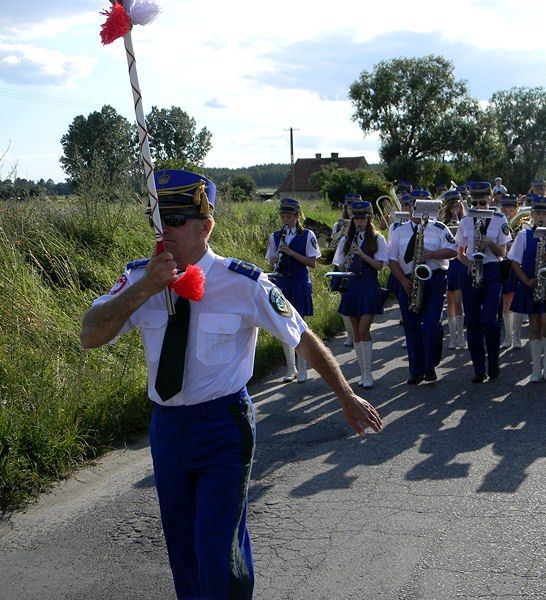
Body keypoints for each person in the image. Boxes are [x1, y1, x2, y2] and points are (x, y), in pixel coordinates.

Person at [79, 169, 383, 600]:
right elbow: (90, 335)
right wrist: (145, 288)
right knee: (182, 549)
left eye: (177, 220)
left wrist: (346, 395)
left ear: (206, 226)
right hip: (167, 428)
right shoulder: (139, 279)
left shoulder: (242, 282)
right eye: (159, 220)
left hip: (223, 425)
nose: (166, 231)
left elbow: (302, 337)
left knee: (217, 549)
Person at [388, 194, 457, 383]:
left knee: (431, 325)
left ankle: (430, 365)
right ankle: (416, 371)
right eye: (411, 206)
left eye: (419, 206)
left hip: (434, 279)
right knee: (411, 328)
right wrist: (403, 280)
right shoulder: (398, 230)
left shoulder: (439, 228)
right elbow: (392, 259)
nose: (414, 210)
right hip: (408, 281)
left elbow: (453, 250)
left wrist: (432, 254)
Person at [456, 181, 512, 383]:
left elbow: (503, 253)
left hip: (491, 270)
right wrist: (469, 263)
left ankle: (494, 361)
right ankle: (479, 369)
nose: (479, 206)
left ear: (490, 199)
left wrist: (490, 243)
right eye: (475, 202)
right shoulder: (465, 220)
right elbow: (459, 252)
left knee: (490, 319)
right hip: (471, 270)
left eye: (482, 202)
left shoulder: (499, 218)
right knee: (472, 322)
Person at [509, 195, 546, 383]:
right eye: (538, 213)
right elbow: (514, 261)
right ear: (532, 215)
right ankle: (536, 368)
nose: (541, 216)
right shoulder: (523, 234)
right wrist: (526, 280)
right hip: (531, 284)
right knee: (535, 326)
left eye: (544, 213)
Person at [332, 200, 388, 389]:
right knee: (356, 333)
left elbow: (379, 266)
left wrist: (362, 254)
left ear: (369, 218)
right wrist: (346, 261)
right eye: (356, 219)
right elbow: (340, 267)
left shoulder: (378, 239)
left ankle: (368, 372)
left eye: (362, 218)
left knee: (364, 331)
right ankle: (362, 372)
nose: (359, 222)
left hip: (369, 288)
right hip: (352, 288)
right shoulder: (345, 240)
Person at [265, 197, 320, 383]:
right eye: (283, 217)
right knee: (283, 325)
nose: (286, 220)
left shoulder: (308, 235)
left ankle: (303, 367)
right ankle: (291, 367)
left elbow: (312, 263)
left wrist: (291, 253)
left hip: (299, 283)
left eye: (289, 217)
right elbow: (271, 261)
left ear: (297, 216)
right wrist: (275, 258)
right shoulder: (275, 236)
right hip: (282, 284)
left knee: (299, 326)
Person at [441, 190, 468, 350]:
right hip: (447, 263)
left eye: (457, 206)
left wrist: (458, 223)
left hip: (459, 262)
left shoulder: (466, 221)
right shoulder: (442, 223)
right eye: (452, 207)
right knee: (449, 302)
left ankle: (461, 335)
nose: (455, 209)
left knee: (458, 301)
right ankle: (452, 337)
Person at [331, 195, 357, 346]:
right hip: (341, 262)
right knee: (344, 300)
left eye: (353, 207)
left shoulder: (364, 223)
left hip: (358, 264)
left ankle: (358, 333)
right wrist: (341, 233)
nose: (350, 210)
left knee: (357, 300)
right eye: (348, 207)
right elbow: (332, 245)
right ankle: (350, 334)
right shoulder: (338, 224)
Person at [499, 194, 524, 349]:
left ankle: (517, 336)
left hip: (519, 265)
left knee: (518, 300)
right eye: (505, 209)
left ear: (517, 209)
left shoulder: (523, 225)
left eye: (511, 209)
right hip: (505, 264)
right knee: (506, 300)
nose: (508, 212)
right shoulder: (500, 224)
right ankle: (508, 336)